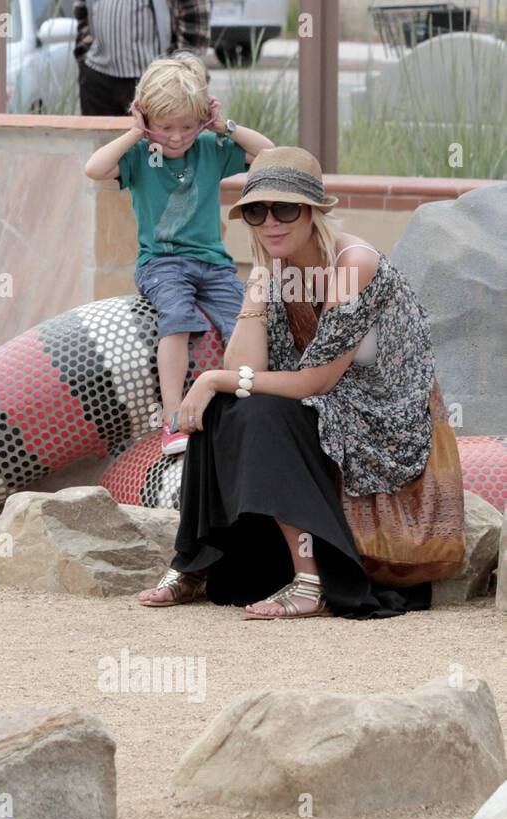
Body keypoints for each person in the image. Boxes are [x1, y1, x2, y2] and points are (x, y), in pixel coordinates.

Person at [137, 147, 455, 619]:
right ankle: (196, 561)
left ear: (313, 213)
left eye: (286, 208)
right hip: (324, 400)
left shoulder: (353, 266)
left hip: (384, 418)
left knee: (257, 407)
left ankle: (311, 583)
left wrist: (212, 377)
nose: (271, 222)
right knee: (221, 407)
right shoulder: (278, 268)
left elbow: (319, 380)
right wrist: (259, 285)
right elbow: (249, 365)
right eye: (257, 211)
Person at [84, 52, 273, 455]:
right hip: (162, 264)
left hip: (215, 264)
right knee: (177, 318)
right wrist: (136, 132)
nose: (176, 137)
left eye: (187, 126)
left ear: (202, 119)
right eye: (166, 127)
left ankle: (249, 416)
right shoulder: (140, 154)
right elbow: (95, 169)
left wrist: (224, 125)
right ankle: (174, 418)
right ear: (147, 119)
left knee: (245, 322)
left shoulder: (208, 147)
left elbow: (269, 153)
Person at [73, 0, 211, 116]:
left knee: (156, 145)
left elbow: (196, 16)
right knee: (101, 145)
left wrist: (180, 75)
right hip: (97, 77)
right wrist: (85, 50)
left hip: (156, 82)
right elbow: (82, 10)